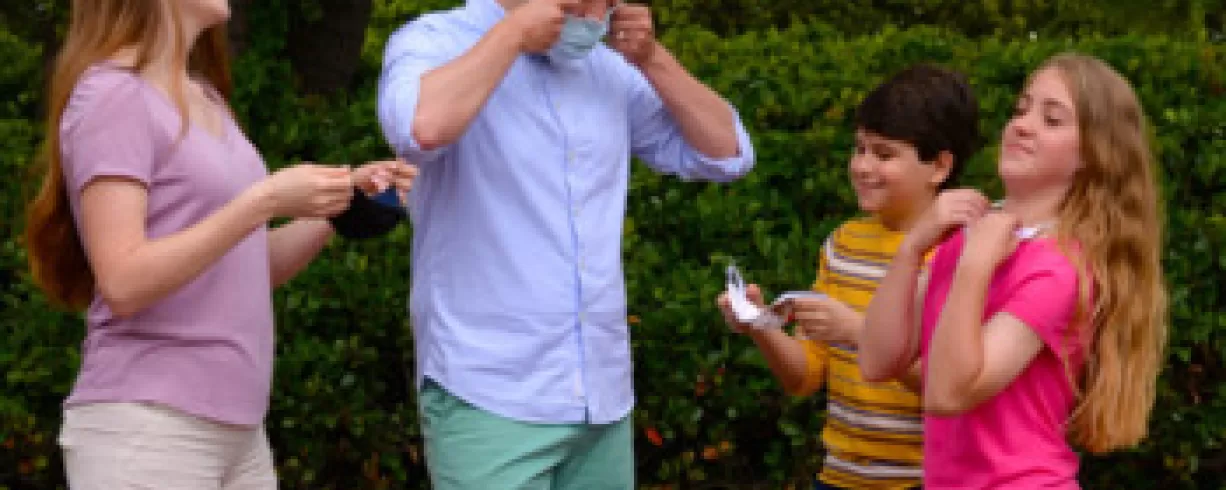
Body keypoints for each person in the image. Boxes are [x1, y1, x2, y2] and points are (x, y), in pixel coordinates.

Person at [22, 0, 416, 487]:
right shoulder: (112, 95)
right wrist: (265, 200)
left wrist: (340, 205)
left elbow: (243, 267)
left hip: (241, 434)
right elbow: (122, 281)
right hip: (147, 424)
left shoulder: (206, 98)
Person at [376, 0, 755, 487]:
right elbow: (419, 129)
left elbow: (728, 154)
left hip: (602, 396)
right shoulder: (434, 40)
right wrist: (513, 34)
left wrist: (651, 57)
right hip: (487, 394)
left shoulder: (608, 68)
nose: (600, 15)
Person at [858, 53, 1168, 489]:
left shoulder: (1059, 268)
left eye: (1052, 120)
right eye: (1021, 109)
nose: (1022, 125)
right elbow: (876, 360)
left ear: (1091, 155)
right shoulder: (971, 233)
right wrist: (912, 249)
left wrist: (975, 266)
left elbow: (948, 393)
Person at [717, 64, 981, 490]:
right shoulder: (843, 245)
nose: (862, 166)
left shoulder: (964, 254)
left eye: (884, 154)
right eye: (859, 149)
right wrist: (760, 326)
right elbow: (805, 377)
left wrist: (860, 334)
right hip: (839, 478)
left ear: (939, 166)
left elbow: (959, 389)